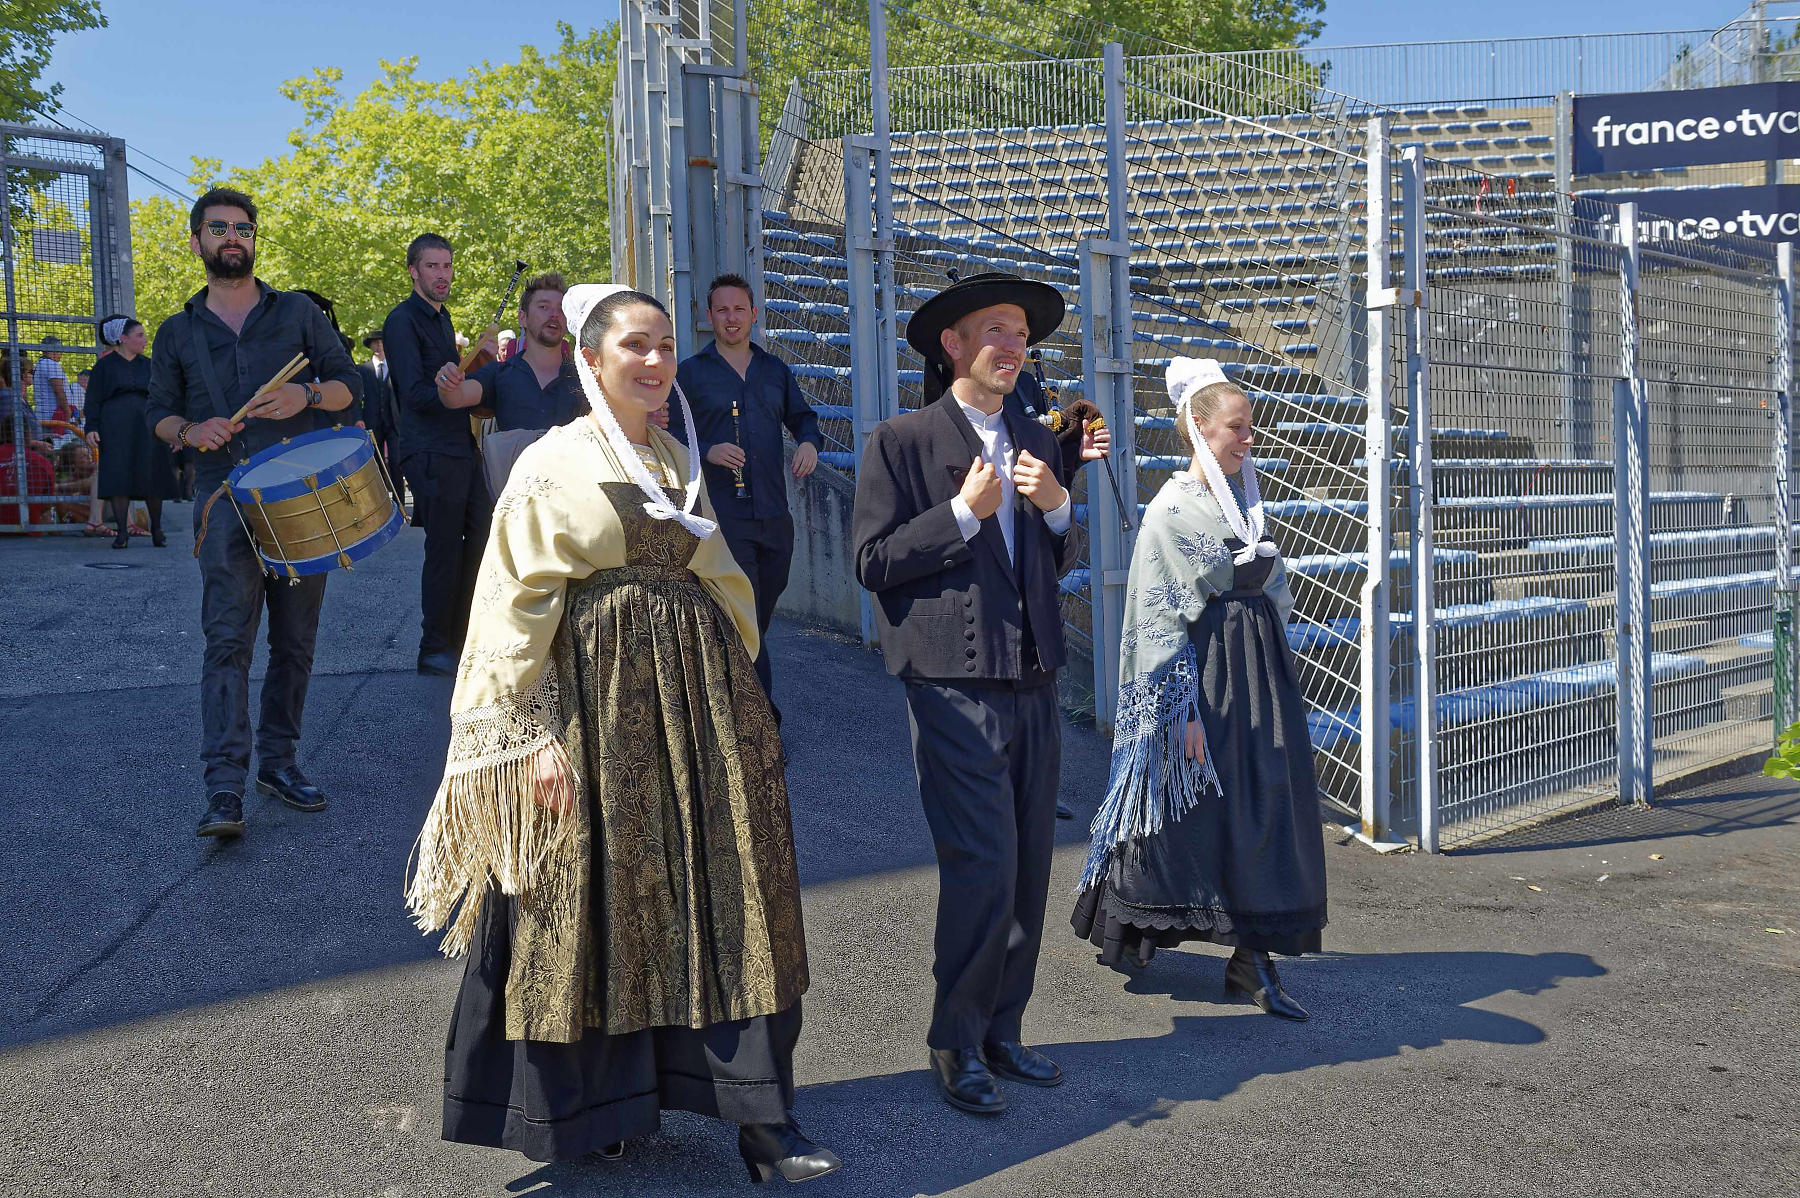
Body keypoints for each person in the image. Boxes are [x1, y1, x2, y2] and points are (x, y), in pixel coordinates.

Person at [406, 284, 838, 1182]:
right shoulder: (552, 463)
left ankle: (761, 1118)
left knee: (732, 893)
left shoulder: (679, 457)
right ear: (591, 360)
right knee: (592, 903)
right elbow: (514, 605)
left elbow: (721, 581)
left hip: (701, 710)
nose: (653, 362)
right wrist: (531, 739)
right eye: (633, 346)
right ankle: (592, 1111)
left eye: (665, 347)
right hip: (591, 711)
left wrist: (742, 703)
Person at [850, 272, 1106, 1116]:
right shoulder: (901, 440)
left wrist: (1061, 507)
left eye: (1021, 334)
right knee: (983, 865)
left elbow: (1049, 561)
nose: (1011, 344)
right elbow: (873, 563)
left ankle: (1005, 1031)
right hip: (951, 682)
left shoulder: (1037, 437)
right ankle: (954, 1038)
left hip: (1033, 677)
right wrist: (961, 514)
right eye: (993, 330)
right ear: (951, 345)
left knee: (1031, 866)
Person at [1071, 357, 1328, 1021]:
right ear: (1200, 430)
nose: (1249, 439)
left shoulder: (1245, 498)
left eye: (1250, 428)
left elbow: (1268, 585)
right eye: (1237, 429)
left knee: (1263, 807)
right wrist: (1179, 711)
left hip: (1254, 672)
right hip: (1202, 675)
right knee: (1182, 812)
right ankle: (1131, 927)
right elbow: (1159, 615)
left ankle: (1252, 962)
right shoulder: (1170, 510)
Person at [144, 186, 362, 839]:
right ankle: (223, 785)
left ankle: (280, 762)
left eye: (242, 227)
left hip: (303, 490)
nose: (232, 236)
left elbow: (351, 386)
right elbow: (157, 414)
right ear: (197, 242)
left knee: (295, 642)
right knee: (228, 642)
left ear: (253, 239)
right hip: (223, 497)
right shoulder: (178, 331)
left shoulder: (296, 312)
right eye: (218, 228)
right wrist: (189, 432)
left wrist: (308, 394)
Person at [669, 273, 822, 715]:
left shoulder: (774, 370)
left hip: (775, 512)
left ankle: (725, 689)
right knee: (744, 611)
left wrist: (810, 444)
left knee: (759, 609)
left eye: (739, 309)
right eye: (722, 310)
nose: (731, 318)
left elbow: (804, 419)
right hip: (724, 514)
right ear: (709, 317)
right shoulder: (691, 374)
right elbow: (671, 430)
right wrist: (708, 449)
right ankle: (761, 720)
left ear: (753, 315)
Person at [382, 232, 495, 677]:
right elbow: (414, 394)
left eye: (447, 266)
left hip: (459, 446)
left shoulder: (443, 319)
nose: (442, 275)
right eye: (432, 266)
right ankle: (434, 647)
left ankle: (464, 636)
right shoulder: (402, 320)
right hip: (428, 450)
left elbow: (450, 389)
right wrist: (453, 385)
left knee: (481, 540)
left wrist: (474, 372)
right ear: (413, 271)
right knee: (445, 548)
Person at [434, 271, 584, 495]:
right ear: (522, 317)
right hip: (515, 503)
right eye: (543, 307)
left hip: (572, 498)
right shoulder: (500, 373)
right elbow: (455, 397)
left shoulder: (585, 379)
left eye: (561, 309)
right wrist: (446, 381)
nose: (554, 315)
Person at [85, 317, 178, 548]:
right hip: (115, 428)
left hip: (147, 427)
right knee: (119, 476)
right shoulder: (104, 366)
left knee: (152, 476)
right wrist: (92, 427)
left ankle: (157, 529)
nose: (145, 340)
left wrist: (175, 429)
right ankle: (122, 533)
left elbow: (166, 398)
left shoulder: (150, 365)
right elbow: (93, 399)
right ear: (123, 339)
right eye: (139, 335)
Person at [360, 330, 400, 482]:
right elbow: (357, 396)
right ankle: (382, 501)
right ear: (370, 346)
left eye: (382, 342)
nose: (379, 345)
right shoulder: (363, 370)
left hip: (394, 423)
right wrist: (358, 418)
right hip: (372, 423)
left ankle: (400, 503)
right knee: (376, 464)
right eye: (375, 342)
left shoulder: (396, 368)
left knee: (396, 462)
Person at [31, 336, 69, 424]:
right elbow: (58, 390)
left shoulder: (39, 364)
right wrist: (67, 411)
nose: (61, 353)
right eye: (60, 349)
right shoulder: (52, 365)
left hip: (42, 414)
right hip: (54, 416)